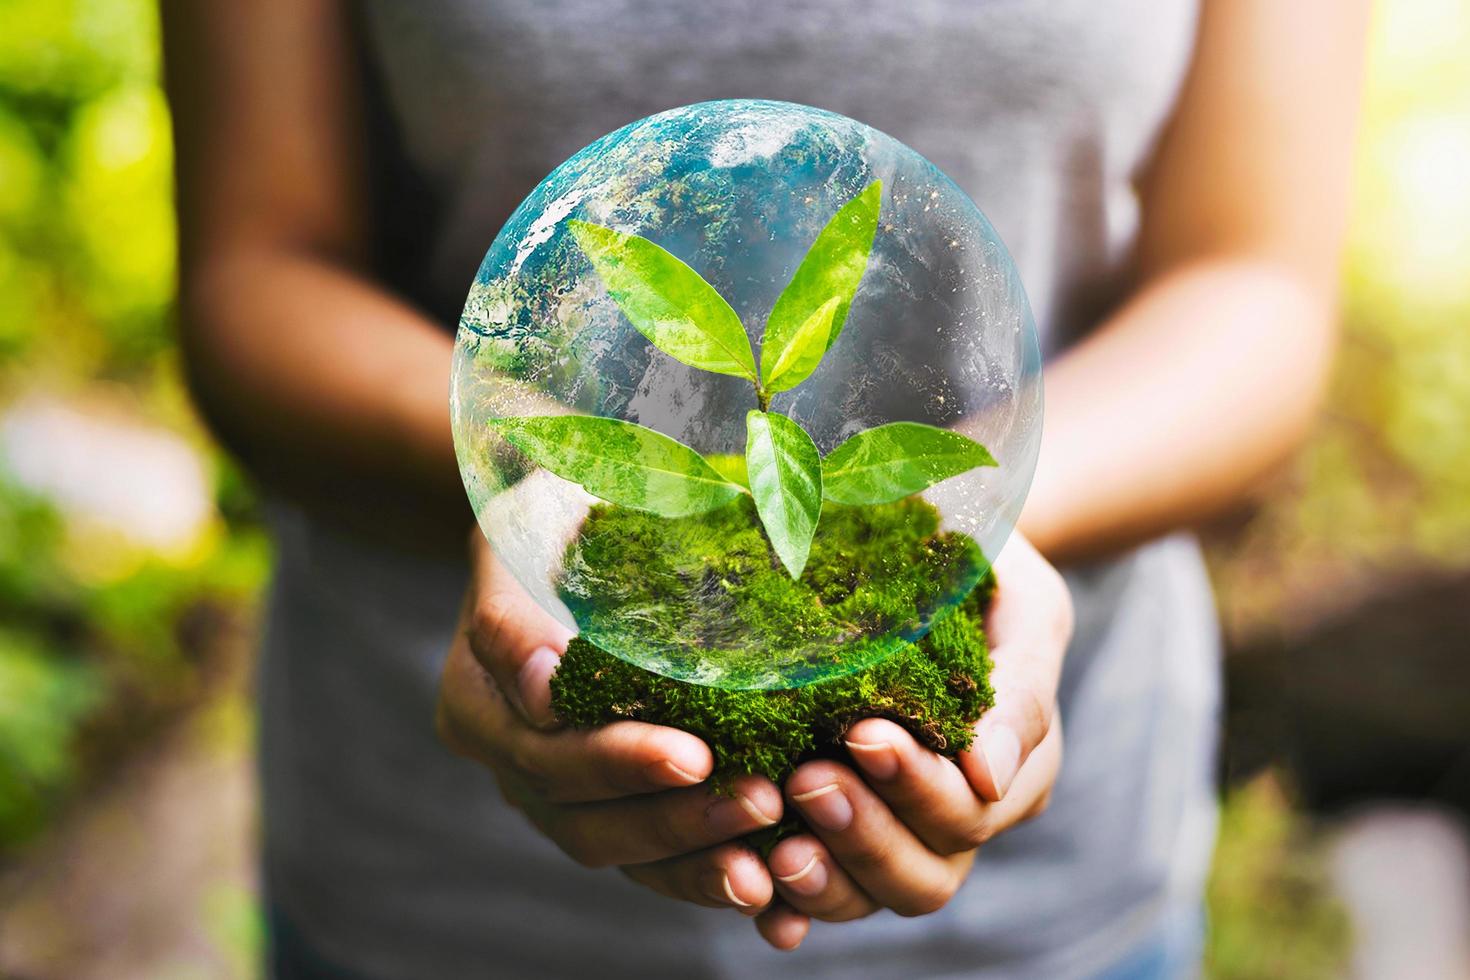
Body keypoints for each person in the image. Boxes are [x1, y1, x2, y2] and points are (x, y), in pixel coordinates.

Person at [162, 1, 1367, 976]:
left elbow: (1254, 285)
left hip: (1050, 892)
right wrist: (530, 481)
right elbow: (254, 270)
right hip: (437, 879)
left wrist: (970, 524)